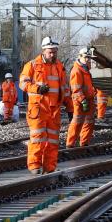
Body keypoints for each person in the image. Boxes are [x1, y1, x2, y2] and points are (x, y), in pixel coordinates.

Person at [18, 37, 69, 173]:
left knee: (52, 141)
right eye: (50, 52)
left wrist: (70, 107)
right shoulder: (32, 65)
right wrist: (37, 89)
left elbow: (65, 88)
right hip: (38, 109)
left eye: (54, 52)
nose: (52, 54)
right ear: (44, 51)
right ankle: (34, 166)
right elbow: (22, 83)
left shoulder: (59, 67)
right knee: (37, 139)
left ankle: (49, 168)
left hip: (54, 110)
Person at [65, 48, 100, 149]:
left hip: (88, 99)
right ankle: (70, 144)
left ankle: (84, 143)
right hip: (80, 101)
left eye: (89, 57)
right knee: (77, 122)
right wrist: (83, 101)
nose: (87, 59)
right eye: (85, 57)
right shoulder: (77, 70)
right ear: (80, 57)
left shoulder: (86, 69)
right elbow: (76, 89)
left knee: (89, 122)